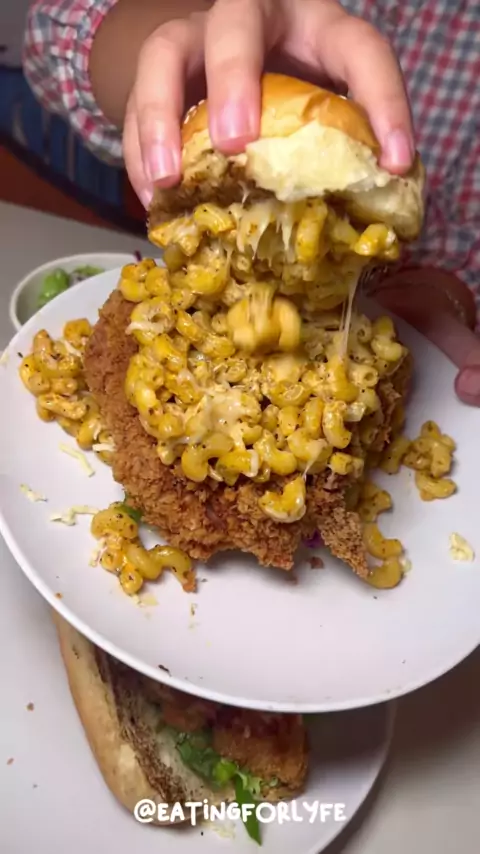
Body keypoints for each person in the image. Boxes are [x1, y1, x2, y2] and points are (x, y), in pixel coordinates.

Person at [23, 0, 480, 404]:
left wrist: (434, 296)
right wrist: (170, 52)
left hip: (356, 329)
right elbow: (50, 27)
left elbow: (462, 236)